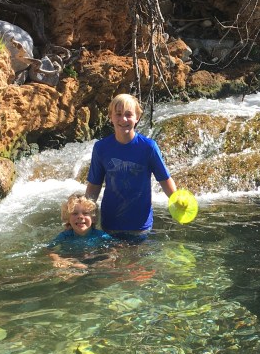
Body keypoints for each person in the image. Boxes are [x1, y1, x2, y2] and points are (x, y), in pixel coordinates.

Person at [85, 93, 184, 235]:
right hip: (110, 223)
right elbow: (94, 185)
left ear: (137, 117)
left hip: (140, 225)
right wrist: (86, 212)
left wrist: (177, 201)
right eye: (118, 114)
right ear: (110, 116)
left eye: (128, 114)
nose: (123, 119)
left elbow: (164, 179)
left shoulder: (148, 147)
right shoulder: (101, 148)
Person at [48, 192, 111, 270]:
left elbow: (115, 246)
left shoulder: (100, 235)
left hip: (96, 261)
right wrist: (58, 259)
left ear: (93, 218)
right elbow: (48, 249)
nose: (80, 217)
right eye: (75, 213)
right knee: (64, 273)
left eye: (85, 213)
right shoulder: (64, 236)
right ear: (68, 219)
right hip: (72, 262)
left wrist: (110, 258)